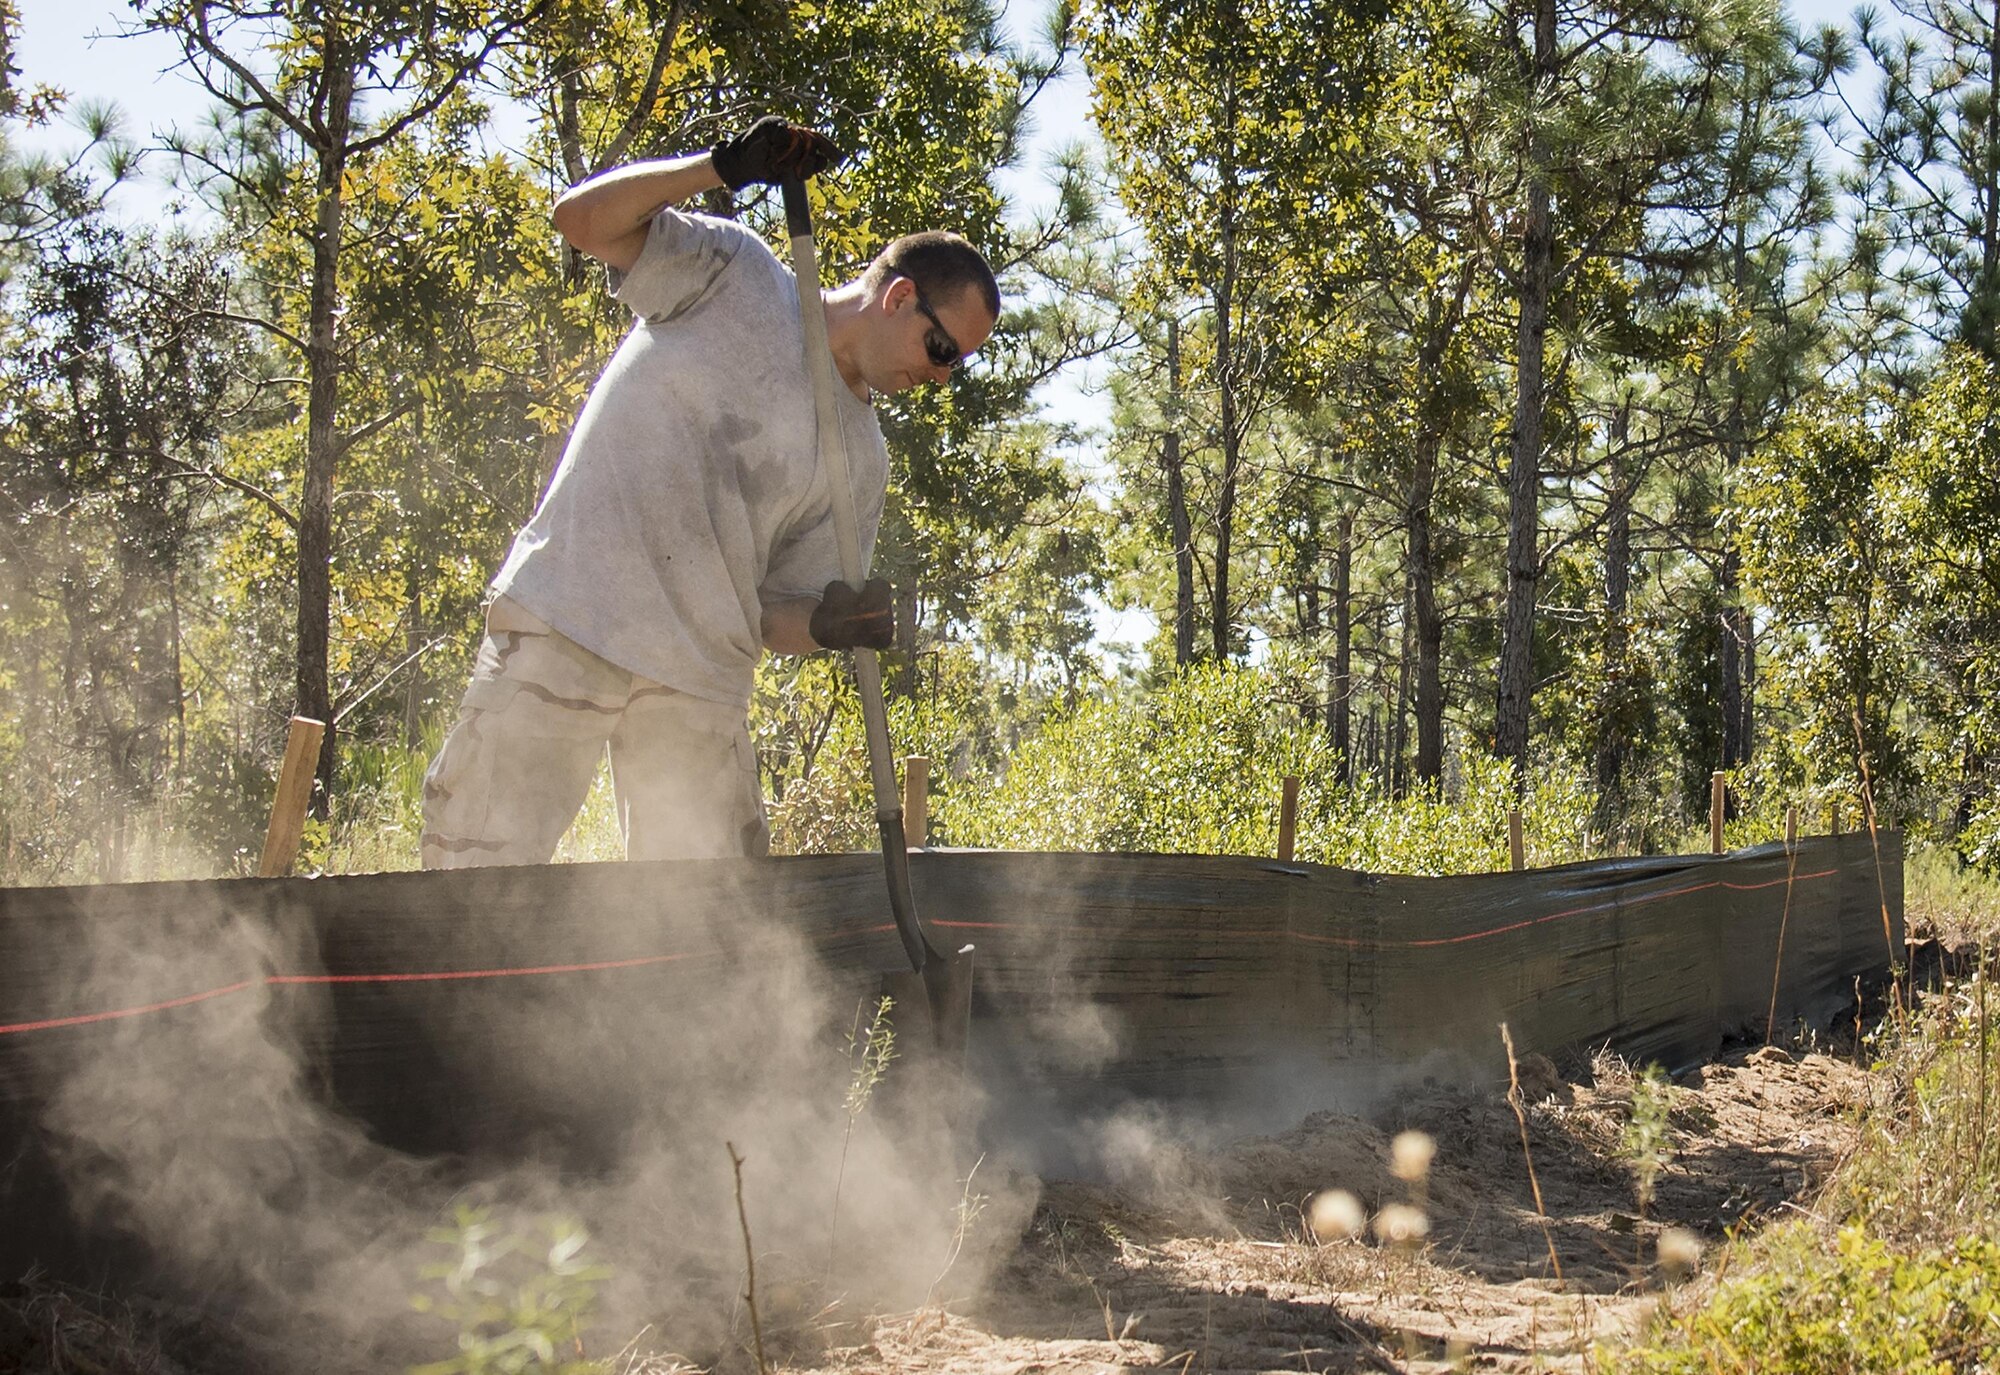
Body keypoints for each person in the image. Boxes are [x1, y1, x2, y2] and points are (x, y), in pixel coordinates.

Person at [420, 118, 1000, 868]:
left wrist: (829, 624)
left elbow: (769, 615)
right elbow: (580, 221)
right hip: (572, 611)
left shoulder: (862, 458)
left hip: (698, 681)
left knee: (712, 935)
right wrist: (719, 167)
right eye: (942, 348)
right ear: (897, 298)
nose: (942, 376)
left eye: (958, 365)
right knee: (472, 877)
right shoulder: (738, 274)